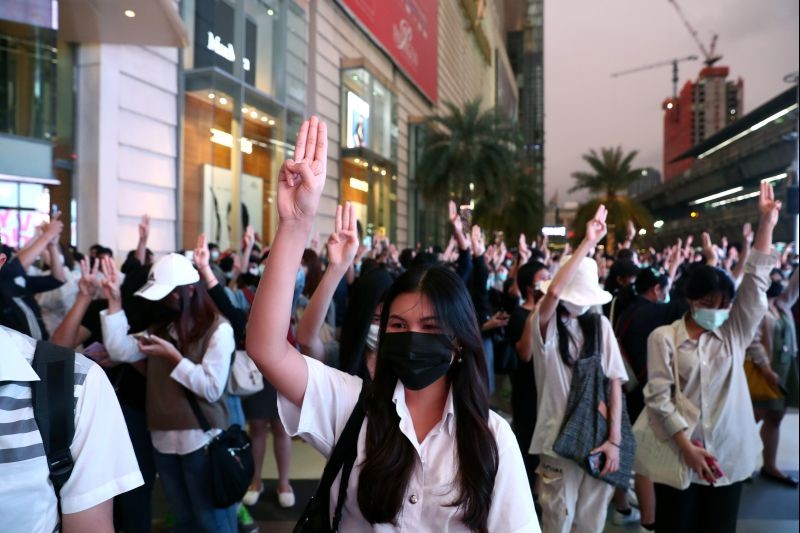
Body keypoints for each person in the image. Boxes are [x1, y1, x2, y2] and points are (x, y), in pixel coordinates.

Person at [246, 116, 538, 531]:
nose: (413, 337)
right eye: (398, 327)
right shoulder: (351, 408)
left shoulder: (493, 439)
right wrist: (295, 225)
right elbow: (267, 349)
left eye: (431, 327)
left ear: (458, 341)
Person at [643, 182, 781, 533]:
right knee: (675, 526)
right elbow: (658, 399)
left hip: (728, 457)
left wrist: (765, 225)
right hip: (678, 457)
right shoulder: (665, 339)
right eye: (707, 305)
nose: (716, 312)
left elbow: (756, 282)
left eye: (722, 305)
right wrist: (687, 448)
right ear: (690, 300)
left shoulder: (733, 334)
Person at [0, 249, 144, 533]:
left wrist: (112, 303)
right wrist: (86, 297)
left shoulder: (78, 383)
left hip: (123, 405)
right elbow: (62, 343)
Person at [100, 253, 237, 532]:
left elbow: (211, 389)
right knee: (185, 520)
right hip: (163, 439)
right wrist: (114, 301)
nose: (164, 301)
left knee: (211, 521)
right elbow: (118, 349)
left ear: (189, 291)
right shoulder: (163, 328)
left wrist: (174, 357)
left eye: (169, 295)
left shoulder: (219, 330)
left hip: (201, 440)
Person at [522, 205, 628, 533]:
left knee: (591, 523)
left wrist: (615, 440)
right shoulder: (546, 325)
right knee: (557, 521)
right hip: (556, 442)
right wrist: (588, 242)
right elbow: (554, 292)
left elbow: (615, 384)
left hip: (597, 440)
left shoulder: (600, 326)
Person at [746, 267, 799, 487]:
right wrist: (766, 368)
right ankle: (741, 464)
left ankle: (770, 465)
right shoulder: (756, 308)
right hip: (765, 369)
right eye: (775, 280)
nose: (780, 283)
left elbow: (794, 288)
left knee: (776, 416)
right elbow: (754, 342)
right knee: (752, 418)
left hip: (785, 368)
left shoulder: (781, 305)